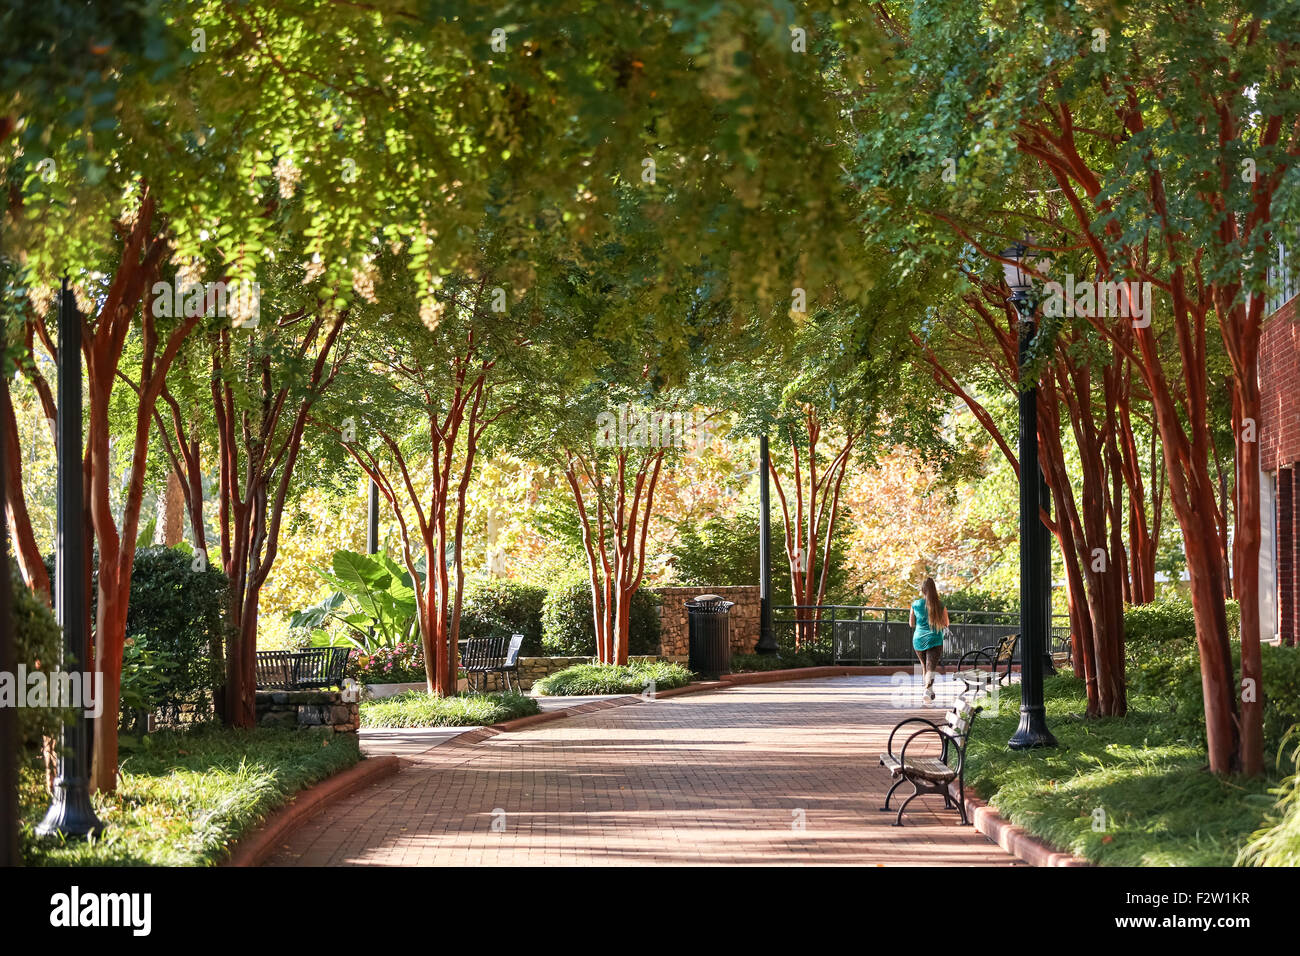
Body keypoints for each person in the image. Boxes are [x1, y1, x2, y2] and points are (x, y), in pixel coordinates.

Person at [909, 577, 949, 702]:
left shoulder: (915, 604)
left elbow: (911, 624)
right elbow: (946, 623)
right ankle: (927, 689)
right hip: (935, 640)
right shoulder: (941, 605)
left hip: (918, 640)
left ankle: (929, 691)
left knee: (925, 667)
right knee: (930, 668)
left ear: (923, 590)